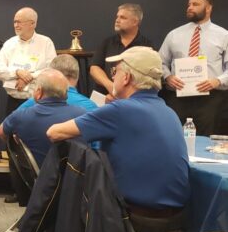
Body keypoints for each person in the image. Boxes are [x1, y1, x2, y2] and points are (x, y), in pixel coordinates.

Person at [47, 46, 190, 211]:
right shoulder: (169, 111)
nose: (112, 76)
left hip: (132, 213)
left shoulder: (120, 110)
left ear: (127, 77)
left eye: (115, 71)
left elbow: (54, 132)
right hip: (176, 213)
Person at [159, 0, 228, 135]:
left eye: (195, 4)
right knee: (174, 138)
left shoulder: (223, 35)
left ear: (208, 7)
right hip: (178, 98)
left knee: (205, 141)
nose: (190, 7)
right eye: (189, 4)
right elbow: (160, 62)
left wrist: (217, 81)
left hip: (211, 100)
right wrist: (168, 77)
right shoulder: (174, 35)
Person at [0, 69, 86, 167]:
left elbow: (1, 132)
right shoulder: (83, 115)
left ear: (39, 92)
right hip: (74, 178)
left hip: (36, 179)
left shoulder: (20, 116)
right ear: (66, 93)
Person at [0, 7, 57, 116]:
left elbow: (52, 70)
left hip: (38, 102)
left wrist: (30, 76)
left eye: (19, 22)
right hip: (13, 102)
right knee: (11, 133)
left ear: (32, 24)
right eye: (14, 22)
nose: (15, 25)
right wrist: (17, 72)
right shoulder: (9, 44)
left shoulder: (46, 42)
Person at [90, 3, 154, 100]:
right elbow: (94, 68)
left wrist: (121, 94)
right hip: (105, 98)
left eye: (123, 17)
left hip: (134, 101)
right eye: (117, 16)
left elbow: (150, 80)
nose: (117, 20)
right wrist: (111, 86)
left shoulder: (146, 46)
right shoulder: (107, 43)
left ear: (135, 22)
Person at [18, 54, 97, 112]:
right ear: (77, 76)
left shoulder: (29, 105)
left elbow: (8, 128)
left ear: (52, 74)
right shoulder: (91, 107)